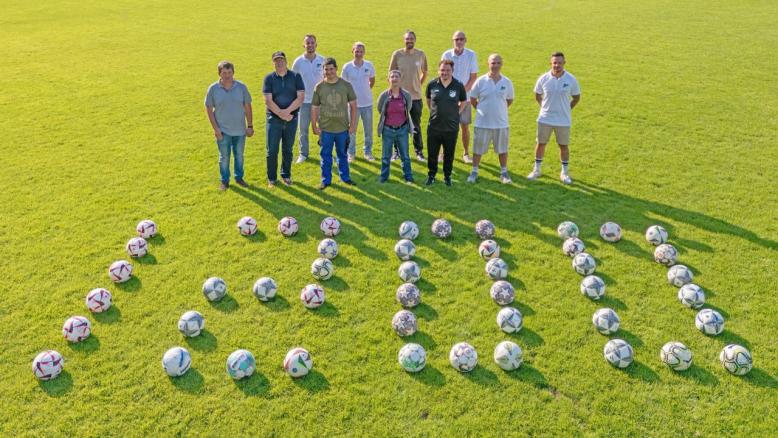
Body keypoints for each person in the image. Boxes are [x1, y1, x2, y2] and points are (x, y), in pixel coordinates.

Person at [528, 52, 581, 184]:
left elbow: (576, 97)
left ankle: (564, 172)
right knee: (540, 143)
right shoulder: (543, 79)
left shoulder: (571, 79)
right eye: (554, 63)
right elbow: (537, 95)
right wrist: (544, 108)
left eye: (559, 63)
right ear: (551, 63)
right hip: (545, 118)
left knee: (563, 145)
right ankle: (537, 169)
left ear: (564, 63)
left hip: (563, 120)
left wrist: (567, 109)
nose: (557, 65)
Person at [204, 60, 253, 191]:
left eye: (229, 72)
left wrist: (250, 126)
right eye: (224, 73)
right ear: (219, 74)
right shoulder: (213, 89)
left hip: (240, 130)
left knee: (239, 156)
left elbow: (248, 106)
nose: (227, 75)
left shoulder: (241, 87)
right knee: (224, 158)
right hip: (223, 131)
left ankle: (239, 178)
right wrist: (216, 129)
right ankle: (224, 181)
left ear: (233, 72)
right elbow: (209, 109)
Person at [311, 58, 358, 190]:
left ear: (336, 69)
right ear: (323, 70)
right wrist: (314, 126)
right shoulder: (319, 87)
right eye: (326, 69)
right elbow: (314, 107)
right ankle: (326, 180)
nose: (329, 72)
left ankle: (345, 178)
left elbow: (354, 106)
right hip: (325, 129)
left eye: (331, 69)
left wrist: (353, 125)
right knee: (325, 156)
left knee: (342, 154)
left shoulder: (346, 85)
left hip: (343, 128)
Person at [468, 54, 515, 184]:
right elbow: (473, 99)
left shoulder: (507, 82)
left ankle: (504, 172)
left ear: (502, 64)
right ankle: (474, 171)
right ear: (488, 64)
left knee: (502, 149)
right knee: (478, 149)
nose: (495, 66)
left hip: (501, 123)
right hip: (482, 123)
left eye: (498, 63)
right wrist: (482, 110)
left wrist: (499, 110)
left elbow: (509, 100)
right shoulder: (480, 81)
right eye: (493, 63)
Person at [263, 51, 305, 187]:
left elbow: (300, 97)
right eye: (276, 60)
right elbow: (268, 101)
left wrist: (287, 112)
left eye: (281, 60)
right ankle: (271, 179)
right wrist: (281, 114)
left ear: (286, 61)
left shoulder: (296, 76)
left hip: (291, 119)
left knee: (288, 149)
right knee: (272, 151)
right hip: (273, 120)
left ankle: (286, 175)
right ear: (273, 62)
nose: (279, 62)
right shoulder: (269, 78)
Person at [425, 59, 467, 186]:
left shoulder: (458, 85)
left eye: (448, 70)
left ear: (452, 71)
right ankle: (431, 175)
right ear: (439, 70)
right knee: (432, 154)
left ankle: (447, 176)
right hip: (434, 127)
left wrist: (456, 113)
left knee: (449, 154)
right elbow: (428, 100)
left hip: (451, 128)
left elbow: (463, 101)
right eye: (442, 70)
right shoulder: (432, 84)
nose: (445, 73)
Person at [389, 30, 428, 162]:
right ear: (404, 40)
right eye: (407, 39)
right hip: (399, 97)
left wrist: (418, 84)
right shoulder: (397, 54)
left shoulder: (421, 54)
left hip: (416, 97)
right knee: (397, 125)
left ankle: (419, 152)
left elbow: (425, 71)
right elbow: (391, 73)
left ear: (415, 40)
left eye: (411, 39)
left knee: (416, 126)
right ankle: (397, 152)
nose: (409, 41)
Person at [441, 30, 478, 163]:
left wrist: (461, 94)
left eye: (462, 39)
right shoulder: (446, 54)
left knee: (464, 126)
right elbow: (443, 75)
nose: (459, 41)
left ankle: (466, 153)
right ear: (453, 40)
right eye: (457, 39)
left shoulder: (471, 55)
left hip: (465, 99)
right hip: (448, 98)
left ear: (465, 40)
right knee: (445, 126)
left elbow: (473, 77)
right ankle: (443, 153)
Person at [292, 34, 325, 164]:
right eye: (308, 43)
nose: (310, 45)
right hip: (304, 102)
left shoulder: (322, 60)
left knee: (324, 127)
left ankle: (325, 152)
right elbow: (293, 81)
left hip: (320, 101)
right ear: (304, 45)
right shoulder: (298, 62)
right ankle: (303, 154)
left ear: (316, 45)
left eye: (312, 43)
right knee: (303, 128)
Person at [376, 70, 414, 184]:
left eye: (397, 76)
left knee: (405, 156)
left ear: (400, 79)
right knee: (385, 156)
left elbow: (409, 108)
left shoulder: (406, 95)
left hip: (402, 129)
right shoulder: (384, 95)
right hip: (387, 130)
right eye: (392, 77)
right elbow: (380, 109)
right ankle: (384, 177)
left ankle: (408, 177)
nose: (394, 78)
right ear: (389, 80)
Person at [341, 42, 376, 162]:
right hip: (352, 105)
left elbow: (372, 80)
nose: (359, 53)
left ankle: (368, 152)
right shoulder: (347, 67)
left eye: (361, 51)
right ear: (353, 51)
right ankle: (351, 153)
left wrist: (364, 91)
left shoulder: (369, 65)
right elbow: (343, 85)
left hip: (367, 104)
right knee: (352, 130)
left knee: (368, 130)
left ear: (364, 52)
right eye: (356, 51)